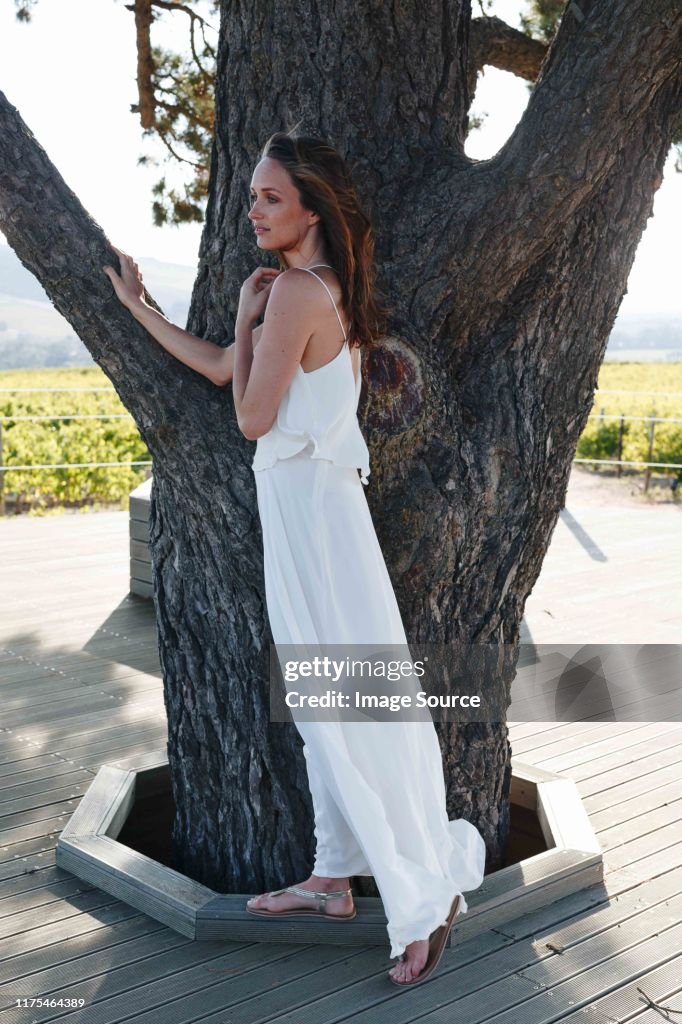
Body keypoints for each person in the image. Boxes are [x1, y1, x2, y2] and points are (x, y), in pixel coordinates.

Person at [103, 129, 486, 987]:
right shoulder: (318, 290)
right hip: (314, 513)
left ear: (312, 207)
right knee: (331, 701)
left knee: (341, 704)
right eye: (252, 196)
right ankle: (329, 877)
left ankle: (418, 894)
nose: (254, 210)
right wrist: (142, 310)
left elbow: (247, 416)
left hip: (313, 518)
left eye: (270, 198)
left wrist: (245, 313)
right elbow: (222, 371)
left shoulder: (294, 296)